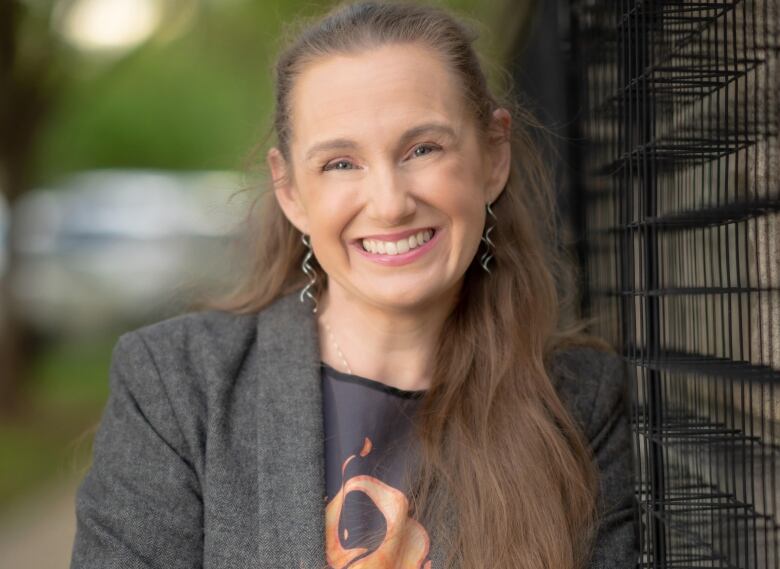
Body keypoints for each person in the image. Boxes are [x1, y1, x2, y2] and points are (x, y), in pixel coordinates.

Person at [69, 2, 638, 568]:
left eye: (423, 149)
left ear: (493, 156)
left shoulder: (579, 405)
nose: (390, 204)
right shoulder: (178, 384)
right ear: (290, 191)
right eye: (341, 163)